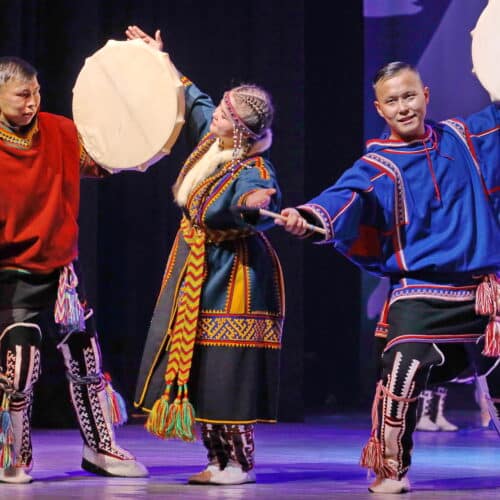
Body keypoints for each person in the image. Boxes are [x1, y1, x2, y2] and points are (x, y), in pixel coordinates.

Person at [277, 61, 499, 494]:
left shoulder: (463, 138)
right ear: (379, 109)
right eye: (393, 101)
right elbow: (342, 198)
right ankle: (391, 468)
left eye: (410, 96)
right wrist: (308, 217)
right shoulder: (377, 164)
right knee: (400, 375)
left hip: (485, 292)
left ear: (426, 95)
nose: (404, 107)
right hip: (421, 293)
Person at [127, 26, 285, 486]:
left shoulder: (254, 167)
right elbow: (194, 100)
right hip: (197, 267)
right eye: (219, 109)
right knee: (200, 360)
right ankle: (216, 460)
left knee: (226, 365)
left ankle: (239, 463)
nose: (214, 114)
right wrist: (162, 60)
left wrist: (254, 202)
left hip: (234, 274)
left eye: (224, 114)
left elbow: (256, 196)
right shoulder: (214, 146)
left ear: (241, 130)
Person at [0, 56, 148, 483]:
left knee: (87, 360)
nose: (33, 103)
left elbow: (106, 159)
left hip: (62, 270)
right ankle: (12, 452)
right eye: (22, 95)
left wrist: (148, 79)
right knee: (19, 367)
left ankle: (101, 447)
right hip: (12, 272)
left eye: (37, 93)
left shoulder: (60, 131)